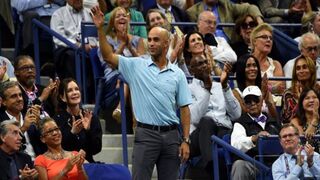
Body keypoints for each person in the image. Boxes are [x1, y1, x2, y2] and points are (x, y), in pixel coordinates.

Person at [91, 6, 192, 180]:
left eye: (156, 40)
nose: (151, 43)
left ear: (166, 43)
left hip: (171, 136)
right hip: (146, 135)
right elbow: (108, 56)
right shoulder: (136, 65)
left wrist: (185, 140)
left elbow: (184, 109)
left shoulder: (178, 74)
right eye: (150, 39)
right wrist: (100, 29)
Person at [188, 54, 241, 177]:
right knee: (206, 121)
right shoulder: (188, 88)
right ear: (192, 70)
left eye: (206, 62)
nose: (204, 66)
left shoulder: (220, 86)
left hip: (222, 131)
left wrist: (225, 87)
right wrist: (207, 90)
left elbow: (237, 114)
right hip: (198, 135)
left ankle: (210, 169)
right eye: (200, 64)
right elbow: (195, 118)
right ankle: (211, 166)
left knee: (230, 132)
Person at [231, 85, 280, 180]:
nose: (252, 103)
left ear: (262, 101)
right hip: (254, 164)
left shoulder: (273, 120)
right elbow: (236, 145)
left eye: (256, 100)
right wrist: (254, 138)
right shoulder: (240, 123)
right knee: (239, 165)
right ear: (244, 104)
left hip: (277, 163)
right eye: (248, 101)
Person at [53, 78, 102, 163]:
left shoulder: (91, 117)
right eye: (69, 90)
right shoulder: (57, 120)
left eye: (76, 89)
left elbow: (96, 149)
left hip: (87, 164)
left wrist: (88, 131)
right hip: (65, 165)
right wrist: (72, 133)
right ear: (62, 97)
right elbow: (57, 149)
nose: (75, 92)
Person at [50, 0, 96, 80]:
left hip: (88, 48)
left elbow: (94, 36)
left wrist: (93, 45)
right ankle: (75, 88)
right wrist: (79, 46)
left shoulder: (89, 13)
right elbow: (58, 39)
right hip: (67, 49)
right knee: (71, 56)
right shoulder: (58, 14)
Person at [0, 81, 46, 158]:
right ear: (4, 102)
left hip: (39, 162)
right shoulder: (1, 122)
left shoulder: (30, 117)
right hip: (14, 164)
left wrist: (39, 125)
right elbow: (4, 148)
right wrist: (23, 128)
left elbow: (43, 145)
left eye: (20, 95)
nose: (19, 99)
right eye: (14, 96)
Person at [186, 0, 263, 42]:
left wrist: (259, 20)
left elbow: (249, 7)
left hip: (231, 45)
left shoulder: (226, 5)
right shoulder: (192, 12)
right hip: (208, 45)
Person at [233, 54, 277, 118]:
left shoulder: (264, 88)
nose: (252, 68)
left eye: (254, 65)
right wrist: (262, 95)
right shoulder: (236, 92)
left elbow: (274, 116)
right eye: (248, 66)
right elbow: (248, 114)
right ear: (241, 69)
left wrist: (267, 98)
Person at [281, 55, 318, 123]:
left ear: (311, 69)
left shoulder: (318, 91)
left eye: (304, 67)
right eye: (298, 68)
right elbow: (286, 120)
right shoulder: (289, 94)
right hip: (296, 129)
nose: (301, 71)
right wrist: (299, 100)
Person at [251, 23, 285, 95]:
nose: (269, 40)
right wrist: (272, 87)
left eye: (271, 38)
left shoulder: (276, 64)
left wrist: (259, 82)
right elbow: (248, 86)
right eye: (264, 37)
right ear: (254, 41)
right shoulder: (245, 61)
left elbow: (281, 87)